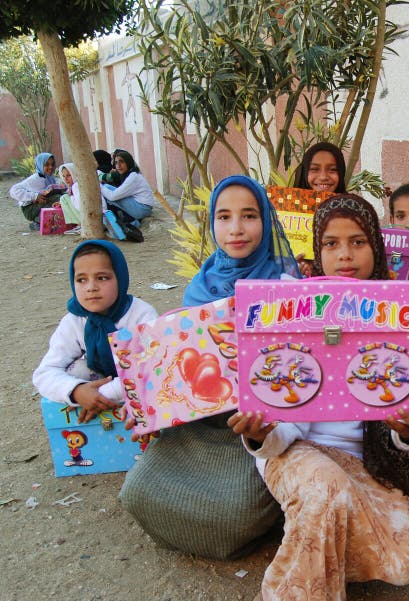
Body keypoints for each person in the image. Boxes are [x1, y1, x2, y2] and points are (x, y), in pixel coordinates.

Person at [228, 192, 409, 601]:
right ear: (317, 250)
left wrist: (408, 432)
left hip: (359, 462)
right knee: (324, 486)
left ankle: (316, 537)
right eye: (331, 244)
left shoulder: (400, 312)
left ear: (376, 245)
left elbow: (404, 418)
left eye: (358, 242)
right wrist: (260, 434)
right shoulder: (293, 308)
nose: (345, 255)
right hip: (295, 451)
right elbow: (280, 426)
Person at [119, 175, 301, 559]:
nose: (236, 228)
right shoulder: (199, 289)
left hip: (256, 433)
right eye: (224, 216)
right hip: (198, 428)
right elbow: (176, 375)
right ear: (212, 223)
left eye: (249, 215)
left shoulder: (288, 288)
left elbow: (298, 382)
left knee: (235, 514)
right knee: (137, 492)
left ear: (266, 221)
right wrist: (145, 403)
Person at [32, 240, 158, 422]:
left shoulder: (141, 315)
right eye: (81, 280)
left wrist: (99, 395)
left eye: (102, 278)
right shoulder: (74, 320)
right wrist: (77, 391)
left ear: (120, 278)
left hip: (138, 389)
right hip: (100, 384)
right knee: (77, 370)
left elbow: (151, 370)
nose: (91, 287)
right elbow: (44, 373)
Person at [10, 152, 66, 229]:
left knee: (62, 198)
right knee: (58, 198)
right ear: (40, 164)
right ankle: (38, 221)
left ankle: (40, 221)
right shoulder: (34, 179)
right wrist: (35, 196)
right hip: (29, 209)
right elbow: (13, 190)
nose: (50, 167)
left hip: (40, 205)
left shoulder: (50, 178)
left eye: (52, 164)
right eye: (46, 164)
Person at [100, 150, 155, 223]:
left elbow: (112, 196)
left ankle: (110, 222)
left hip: (143, 209)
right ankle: (126, 221)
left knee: (107, 193)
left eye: (121, 162)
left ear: (128, 162)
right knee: (107, 188)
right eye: (116, 163)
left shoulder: (133, 177)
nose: (118, 165)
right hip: (142, 207)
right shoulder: (131, 174)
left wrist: (99, 186)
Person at [57, 163, 83, 233]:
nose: (65, 179)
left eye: (68, 175)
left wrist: (70, 198)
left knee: (64, 198)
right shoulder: (73, 187)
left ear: (75, 174)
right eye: (63, 176)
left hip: (85, 216)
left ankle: (80, 224)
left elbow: (79, 206)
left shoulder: (76, 186)